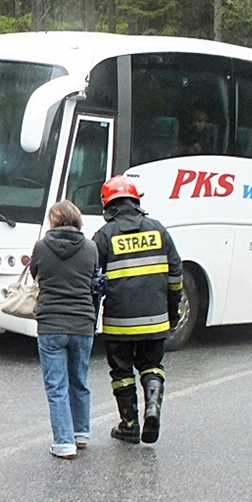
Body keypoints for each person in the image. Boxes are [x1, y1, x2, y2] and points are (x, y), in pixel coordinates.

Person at [92, 175, 183, 445]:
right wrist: (172, 312)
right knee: (152, 365)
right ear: (135, 201)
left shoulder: (104, 236)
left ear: (108, 204)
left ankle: (129, 425)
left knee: (121, 372)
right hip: (156, 320)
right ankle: (152, 409)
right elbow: (176, 276)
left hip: (119, 322)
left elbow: (93, 282)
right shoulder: (159, 230)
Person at [29, 200, 100, 459]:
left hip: (51, 325)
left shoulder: (41, 246)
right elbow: (94, 278)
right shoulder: (91, 248)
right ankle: (81, 434)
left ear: (53, 221)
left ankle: (63, 443)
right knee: (79, 381)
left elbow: (34, 273)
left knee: (56, 386)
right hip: (83, 324)